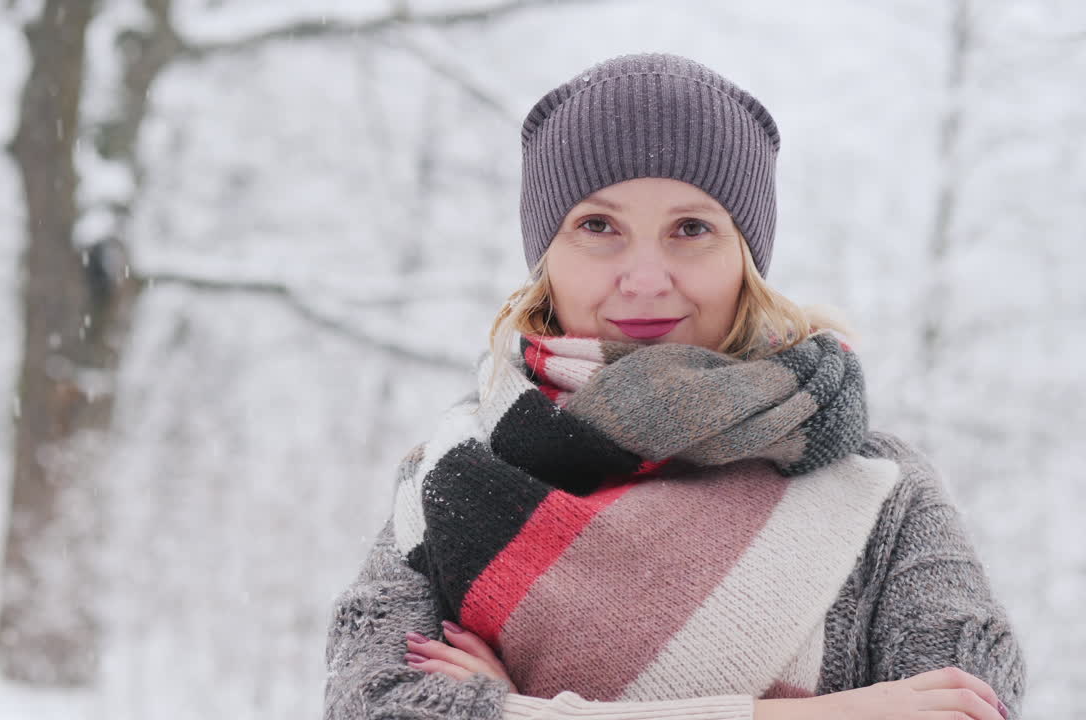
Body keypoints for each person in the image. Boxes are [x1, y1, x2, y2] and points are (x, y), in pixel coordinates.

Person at [321, 52, 1025, 720]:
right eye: (598, 225)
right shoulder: (450, 478)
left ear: (746, 257)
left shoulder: (882, 489)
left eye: (691, 228)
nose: (647, 278)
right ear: (546, 257)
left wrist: (513, 709)